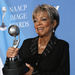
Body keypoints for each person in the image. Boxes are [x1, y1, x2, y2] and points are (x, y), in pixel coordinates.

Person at [6, 4, 70, 75]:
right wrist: (11, 59)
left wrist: (34, 73)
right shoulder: (27, 43)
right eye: (35, 21)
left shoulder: (61, 46)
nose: (38, 24)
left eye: (43, 19)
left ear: (54, 23)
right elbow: (10, 72)